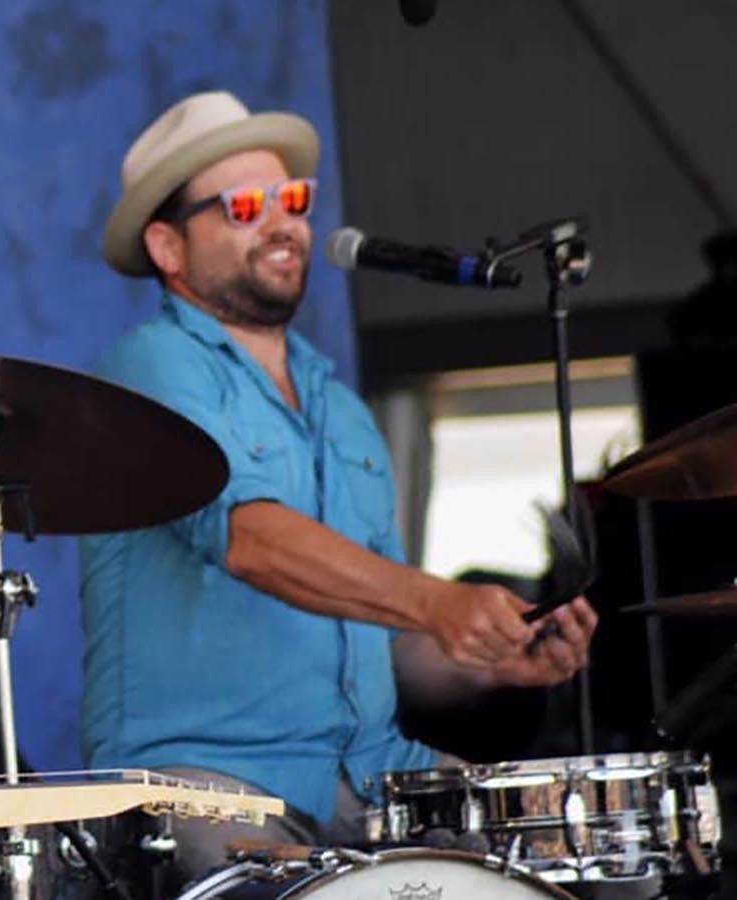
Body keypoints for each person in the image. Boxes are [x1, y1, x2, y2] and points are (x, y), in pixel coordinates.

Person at [79, 91, 599, 881]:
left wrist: (495, 655)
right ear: (168, 248)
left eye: (293, 200)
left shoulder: (343, 412)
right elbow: (250, 539)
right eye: (246, 205)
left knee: (568, 849)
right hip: (205, 782)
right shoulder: (151, 366)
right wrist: (438, 599)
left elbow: (388, 644)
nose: (283, 223)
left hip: (371, 772)